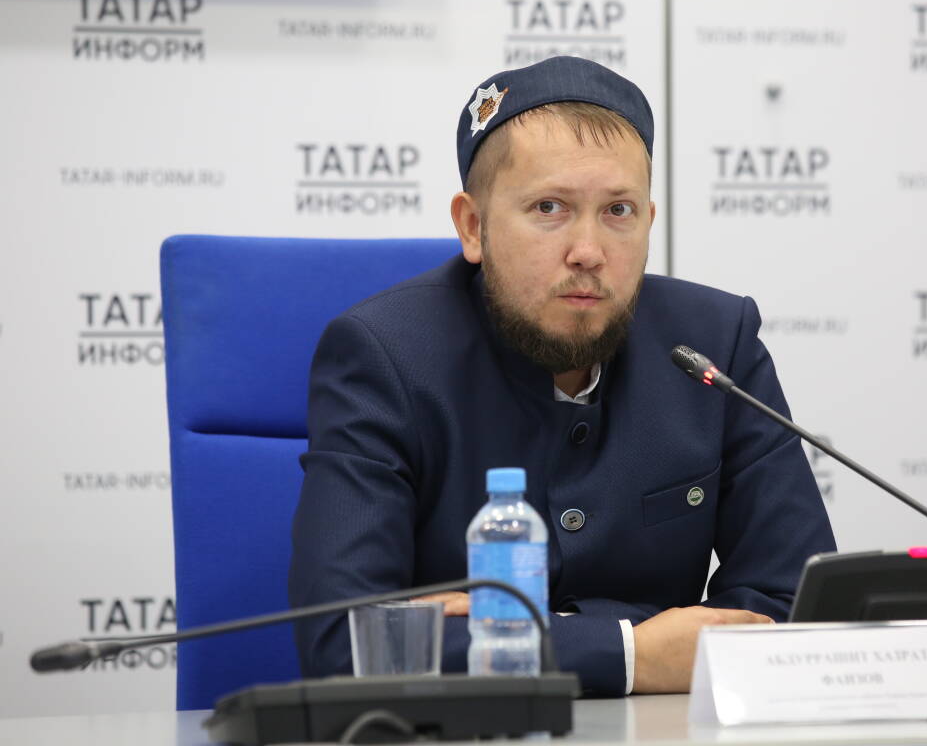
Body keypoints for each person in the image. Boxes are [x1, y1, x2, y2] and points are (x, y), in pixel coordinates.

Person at [288, 56, 835, 696]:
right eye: (549, 208)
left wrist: (503, 637)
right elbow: (346, 641)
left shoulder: (714, 345)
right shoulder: (385, 356)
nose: (589, 252)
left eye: (618, 211)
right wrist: (632, 652)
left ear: (649, 222)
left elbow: (798, 606)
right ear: (473, 226)